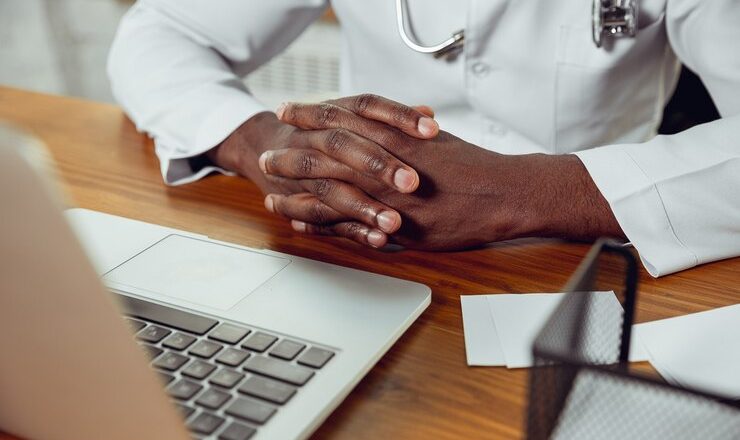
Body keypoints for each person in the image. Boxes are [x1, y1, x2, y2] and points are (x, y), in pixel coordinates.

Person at [107, 1, 740, 277]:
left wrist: (525, 194)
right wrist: (266, 147)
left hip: (593, 258)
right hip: (352, 246)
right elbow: (160, 31)